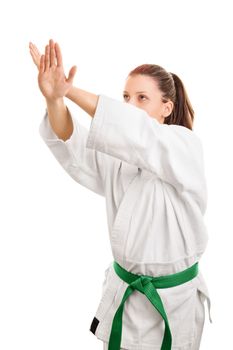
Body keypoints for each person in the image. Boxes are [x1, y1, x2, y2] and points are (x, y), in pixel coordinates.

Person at [29, 39, 212, 350]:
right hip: (125, 301)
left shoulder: (185, 147)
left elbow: (138, 133)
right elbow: (74, 146)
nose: (130, 105)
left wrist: (69, 90)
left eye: (143, 98)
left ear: (166, 107)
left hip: (173, 304)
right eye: (126, 98)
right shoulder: (119, 158)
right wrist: (55, 101)